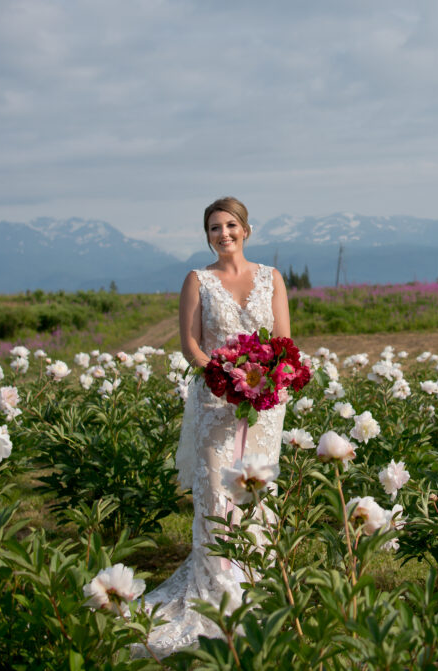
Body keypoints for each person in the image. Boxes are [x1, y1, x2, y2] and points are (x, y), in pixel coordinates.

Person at [141, 197, 290, 657]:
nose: (222, 234)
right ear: (207, 235)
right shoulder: (198, 280)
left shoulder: (271, 277)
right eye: (213, 228)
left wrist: (266, 378)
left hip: (264, 404)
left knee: (255, 491)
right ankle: (217, 585)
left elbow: (284, 341)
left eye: (230, 225)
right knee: (214, 491)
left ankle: (255, 579)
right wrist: (223, 376)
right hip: (214, 398)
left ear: (246, 229)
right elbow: (189, 342)